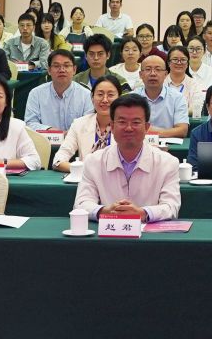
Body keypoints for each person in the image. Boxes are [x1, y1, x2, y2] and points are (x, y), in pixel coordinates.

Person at [70, 94, 181, 222]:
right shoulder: (93, 161)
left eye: (136, 122)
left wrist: (142, 213)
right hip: (109, 230)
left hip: (147, 232)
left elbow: (171, 206)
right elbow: (81, 203)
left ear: (146, 128)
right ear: (112, 127)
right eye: (122, 122)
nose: (129, 128)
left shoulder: (168, 163)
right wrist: (105, 211)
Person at [52, 78, 126, 172]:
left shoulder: (128, 126)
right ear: (92, 98)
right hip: (85, 178)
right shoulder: (79, 124)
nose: (105, 100)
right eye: (100, 94)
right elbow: (58, 161)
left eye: (110, 95)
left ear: (119, 98)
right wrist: (83, 170)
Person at [24, 49, 89, 131]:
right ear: (49, 70)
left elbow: (89, 125)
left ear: (74, 70)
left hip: (77, 138)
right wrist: (51, 131)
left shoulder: (86, 95)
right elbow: (30, 123)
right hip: (45, 138)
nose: (62, 70)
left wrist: (71, 134)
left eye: (66, 66)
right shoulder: (36, 93)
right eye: (56, 66)